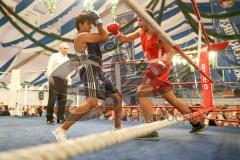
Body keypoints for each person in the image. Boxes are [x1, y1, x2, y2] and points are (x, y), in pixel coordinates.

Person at [107, 9, 207, 140]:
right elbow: (124, 38)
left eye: (141, 19)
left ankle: (150, 129)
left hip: (160, 68)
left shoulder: (159, 34)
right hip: (151, 68)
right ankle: (197, 123)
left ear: (149, 20)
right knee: (171, 99)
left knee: (141, 93)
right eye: (138, 19)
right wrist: (116, 32)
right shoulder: (140, 31)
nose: (138, 21)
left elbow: (171, 52)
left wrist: (160, 66)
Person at [52, 10, 122, 142]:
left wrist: (99, 23)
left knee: (117, 97)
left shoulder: (88, 35)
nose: (91, 26)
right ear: (81, 24)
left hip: (97, 69)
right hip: (89, 68)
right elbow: (104, 36)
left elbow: (104, 36)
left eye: (92, 23)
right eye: (89, 23)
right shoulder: (81, 37)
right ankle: (61, 129)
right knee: (91, 102)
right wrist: (98, 21)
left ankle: (117, 128)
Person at [46, 42, 71, 124]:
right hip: (54, 79)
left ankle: (60, 117)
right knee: (52, 100)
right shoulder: (54, 56)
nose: (66, 50)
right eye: (65, 48)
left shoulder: (68, 59)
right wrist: (50, 79)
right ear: (60, 48)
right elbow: (49, 68)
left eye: (67, 49)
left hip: (64, 80)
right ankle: (49, 118)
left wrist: (69, 82)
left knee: (63, 100)